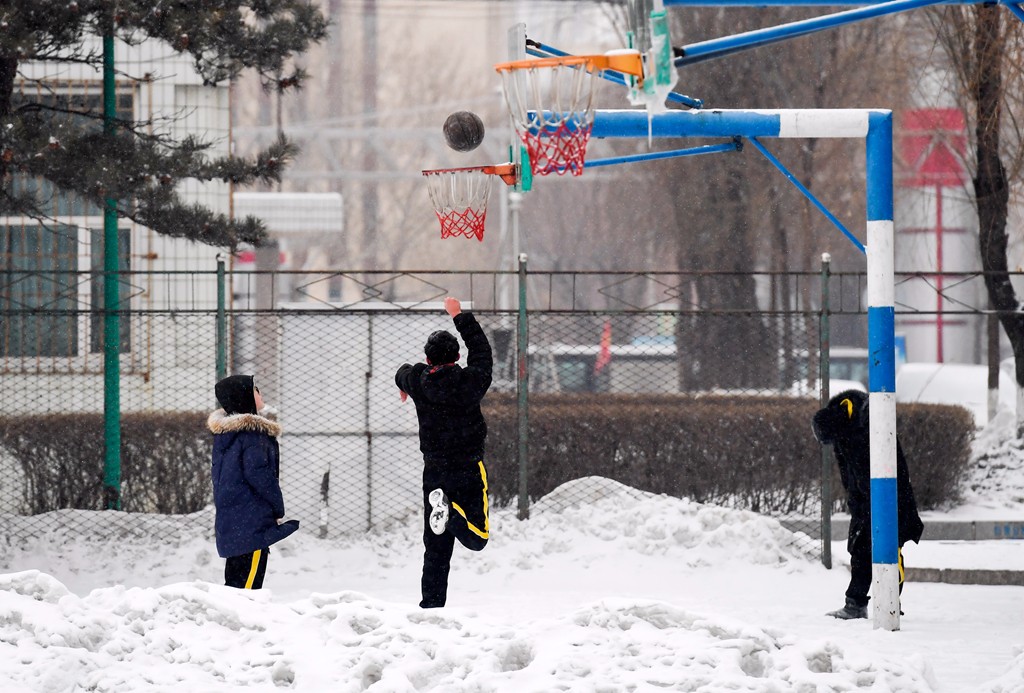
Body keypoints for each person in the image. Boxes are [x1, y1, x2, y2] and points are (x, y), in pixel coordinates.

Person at [395, 296, 493, 608]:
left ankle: (432, 605)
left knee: (435, 545)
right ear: (458, 356)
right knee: (478, 536)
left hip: (434, 469)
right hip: (467, 466)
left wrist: (404, 382)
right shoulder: (471, 380)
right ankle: (451, 515)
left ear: (428, 357)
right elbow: (483, 352)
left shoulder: (419, 381)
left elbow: (404, 371)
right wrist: (459, 316)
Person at [812, 389, 924, 619]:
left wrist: (876, 501)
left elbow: (885, 467)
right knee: (860, 550)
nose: (834, 446)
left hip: (891, 499)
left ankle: (891, 600)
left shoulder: (869, 421)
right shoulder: (843, 430)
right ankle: (855, 603)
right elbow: (850, 475)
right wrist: (855, 502)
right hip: (864, 502)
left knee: (890, 549)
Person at [208, 374, 300, 589]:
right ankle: (241, 621)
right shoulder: (253, 436)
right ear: (246, 396)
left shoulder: (227, 435)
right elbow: (261, 477)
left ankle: (230, 620)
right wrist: (277, 509)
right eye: (256, 389)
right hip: (252, 523)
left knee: (236, 582)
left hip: (234, 523)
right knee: (248, 590)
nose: (260, 393)